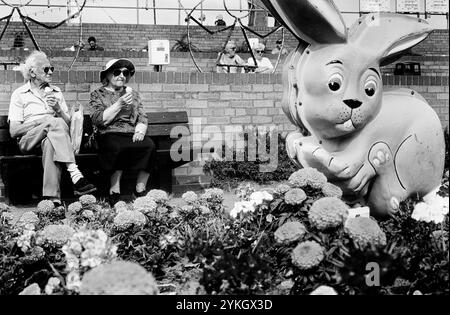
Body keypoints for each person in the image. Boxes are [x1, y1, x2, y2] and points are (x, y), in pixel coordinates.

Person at [8, 51, 97, 206]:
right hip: (29, 141)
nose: (50, 72)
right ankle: (75, 173)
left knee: (51, 143)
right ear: (32, 72)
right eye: (46, 69)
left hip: (53, 139)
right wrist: (43, 121)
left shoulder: (56, 92)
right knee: (53, 122)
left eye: (52, 69)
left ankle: (53, 199)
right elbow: (14, 131)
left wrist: (58, 110)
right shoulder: (19, 94)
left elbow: (67, 125)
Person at [89, 59, 156, 206]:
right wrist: (119, 103)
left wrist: (140, 129)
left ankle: (140, 188)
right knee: (118, 146)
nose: (121, 75)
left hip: (130, 132)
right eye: (117, 72)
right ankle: (115, 190)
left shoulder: (134, 94)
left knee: (150, 145)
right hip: (108, 132)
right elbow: (98, 120)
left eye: (125, 73)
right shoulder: (98, 94)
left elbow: (142, 115)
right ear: (107, 75)